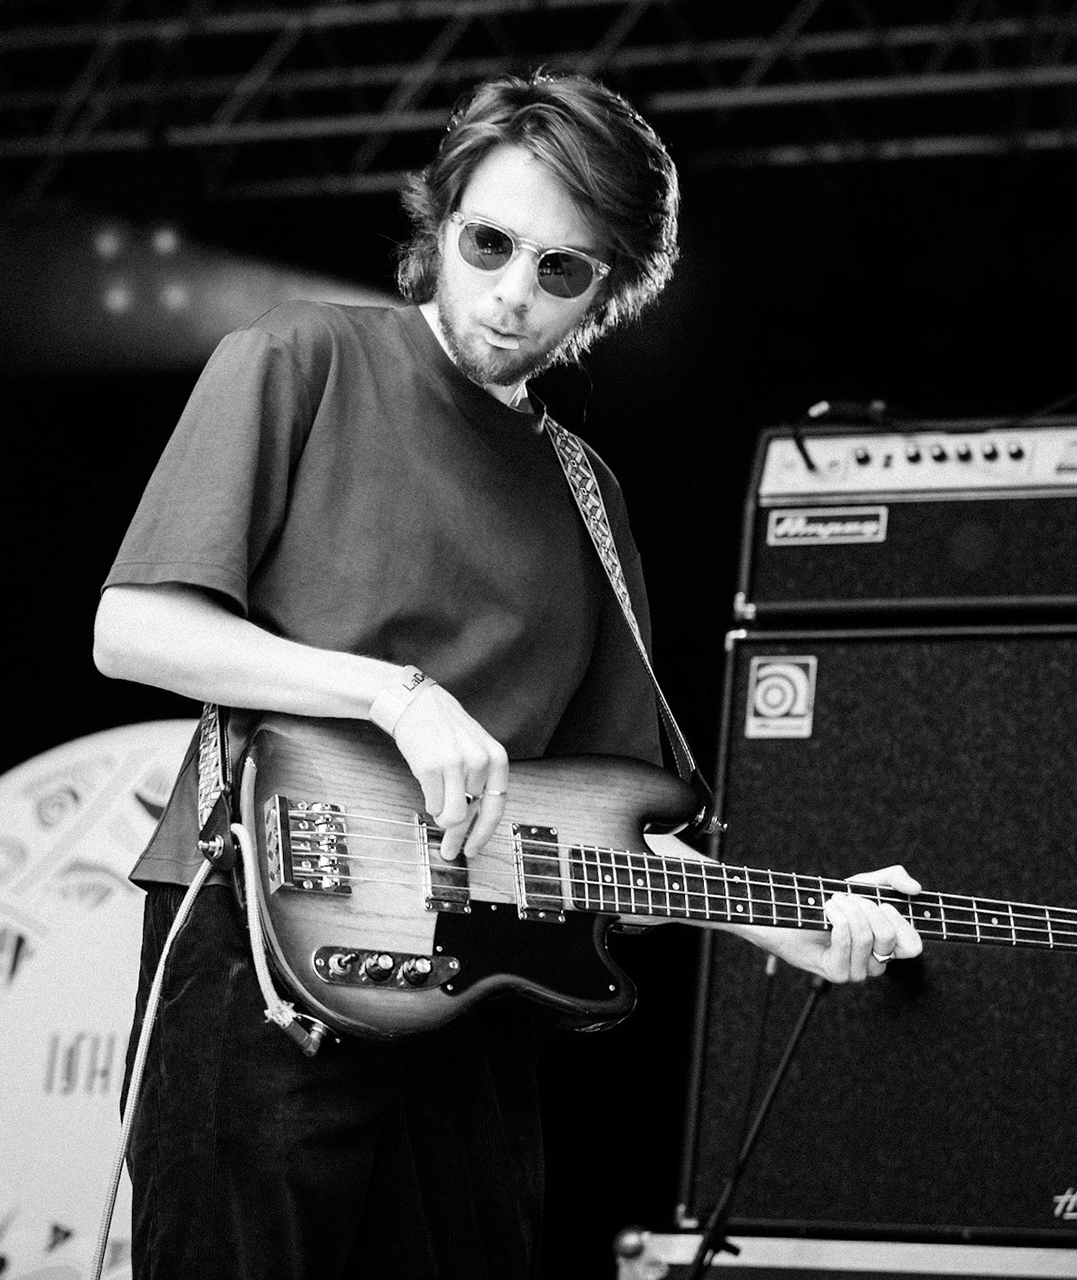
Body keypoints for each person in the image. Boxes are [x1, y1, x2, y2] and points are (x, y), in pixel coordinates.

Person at [93, 71, 924, 1280]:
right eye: (489, 242)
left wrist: (789, 925)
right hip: (260, 940)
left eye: (562, 269)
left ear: (613, 292)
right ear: (441, 220)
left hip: (476, 990)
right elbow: (132, 627)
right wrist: (394, 691)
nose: (510, 291)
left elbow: (605, 834)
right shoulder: (302, 355)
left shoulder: (587, 493)